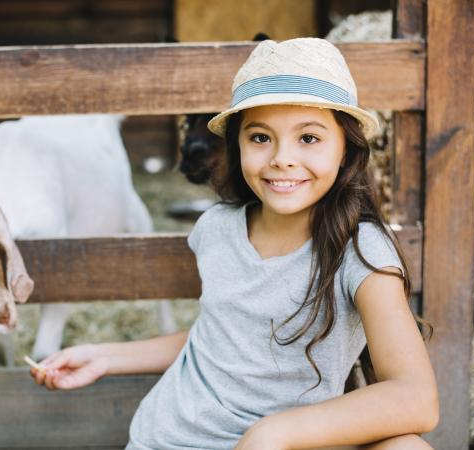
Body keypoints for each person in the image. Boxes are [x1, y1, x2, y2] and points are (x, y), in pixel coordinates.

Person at [30, 38, 439, 450]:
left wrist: (270, 434)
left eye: (309, 138)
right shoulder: (217, 228)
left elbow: (417, 398)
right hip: (172, 439)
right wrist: (105, 357)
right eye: (260, 138)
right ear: (237, 145)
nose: (282, 158)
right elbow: (224, 335)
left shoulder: (362, 252)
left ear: (346, 148)